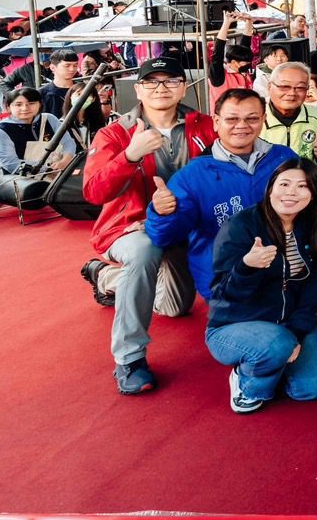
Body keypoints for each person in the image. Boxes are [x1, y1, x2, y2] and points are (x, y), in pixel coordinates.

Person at [78, 57, 215, 394]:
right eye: (151, 82)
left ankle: (107, 276)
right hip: (132, 228)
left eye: (170, 81)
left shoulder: (206, 125)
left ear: (184, 86)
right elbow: (94, 192)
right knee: (142, 252)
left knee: (176, 307)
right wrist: (130, 156)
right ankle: (130, 358)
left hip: (186, 227)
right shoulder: (115, 133)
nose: (161, 88)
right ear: (138, 89)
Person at [204, 159, 317, 413]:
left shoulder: (315, 227)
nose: (291, 192)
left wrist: (297, 334)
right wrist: (247, 267)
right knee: (277, 346)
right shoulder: (241, 226)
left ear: (313, 194)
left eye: (302, 186)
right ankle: (247, 382)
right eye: (284, 184)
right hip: (235, 324)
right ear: (270, 188)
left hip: (288, 321)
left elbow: (312, 292)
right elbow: (223, 295)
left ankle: (274, 360)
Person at [145, 89, 299, 305]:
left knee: (309, 335)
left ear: (263, 120)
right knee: (274, 338)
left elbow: (315, 201)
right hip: (228, 283)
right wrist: (162, 213)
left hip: (287, 274)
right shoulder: (192, 175)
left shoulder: (284, 157)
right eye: (232, 119)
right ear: (216, 122)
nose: (242, 125)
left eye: (252, 118)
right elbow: (164, 237)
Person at [262, 61, 317, 198]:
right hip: (262, 192)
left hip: (307, 193)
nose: (292, 93)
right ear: (269, 87)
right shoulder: (254, 118)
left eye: (300, 88)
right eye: (284, 86)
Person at [0, 87, 78, 177]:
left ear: (40, 104)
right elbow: (11, 163)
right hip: (23, 182)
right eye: (18, 105)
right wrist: (47, 170)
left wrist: (65, 161)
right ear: (8, 107)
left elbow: (68, 142)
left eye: (31, 103)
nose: (25, 108)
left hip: (60, 174)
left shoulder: (50, 119)